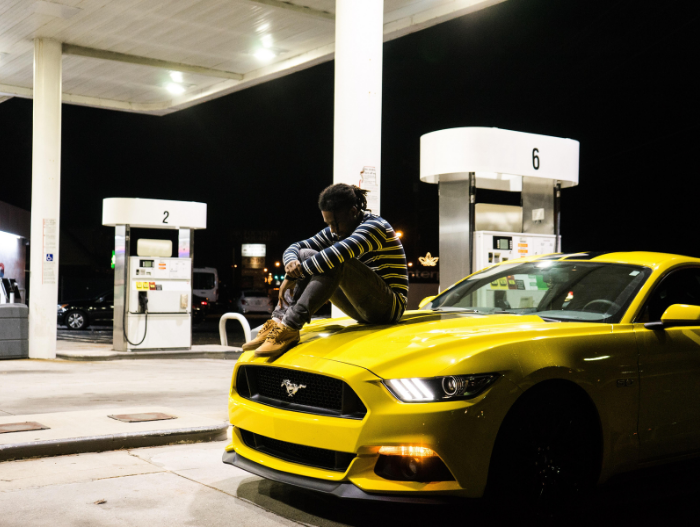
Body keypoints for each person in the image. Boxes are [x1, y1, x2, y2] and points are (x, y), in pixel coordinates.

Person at [243, 183, 408, 358]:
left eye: (335, 224)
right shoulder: (336, 231)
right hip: (362, 308)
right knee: (305, 254)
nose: (332, 230)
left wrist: (292, 277)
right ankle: (278, 321)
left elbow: (336, 255)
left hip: (389, 308)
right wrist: (291, 263)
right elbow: (297, 247)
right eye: (328, 224)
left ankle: (290, 326)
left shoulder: (375, 227)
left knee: (335, 259)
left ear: (353, 211)